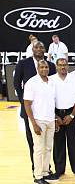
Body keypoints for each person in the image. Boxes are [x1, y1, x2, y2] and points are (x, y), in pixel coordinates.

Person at [14, 41, 57, 172]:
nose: (39, 49)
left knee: (47, 144)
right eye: (36, 47)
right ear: (32, 49)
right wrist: (25, 102)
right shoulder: (23, 63)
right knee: (33, 141)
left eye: (41, 47)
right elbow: (16, 84)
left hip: (47, 111)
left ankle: (46, 168)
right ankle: (36, 168)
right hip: (30, 111)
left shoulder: (50, 65)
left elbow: (54, 85)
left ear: (45, 49)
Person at [23, 59, 59, 184]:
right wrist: (33, 124)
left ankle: (45, 172)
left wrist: (55, 119)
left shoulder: (51, 83)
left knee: (48, 148)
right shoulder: (31, 83)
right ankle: (38, 176)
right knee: (38, 149)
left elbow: (51, 103)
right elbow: (27, 104)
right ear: (37, 69)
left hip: (50, 119)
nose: (44, 69)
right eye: (42, 67)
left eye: (46, 67)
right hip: (38, 120)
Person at [51, 57, 75, 177]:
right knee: (58, 144)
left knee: (74, 142)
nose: (63, 67)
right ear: (56, 66)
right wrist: (55, 117)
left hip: (71, 113)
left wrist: (72, 115)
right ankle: (59, 170)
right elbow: (49, 100)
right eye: (60, 65)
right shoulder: (51, 80)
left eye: (65, 64)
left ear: (68, 66)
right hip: (57, 114)